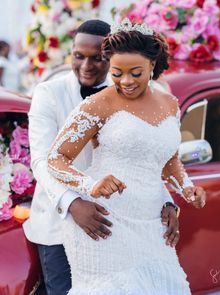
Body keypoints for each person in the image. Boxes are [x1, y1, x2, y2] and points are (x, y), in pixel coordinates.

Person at [23, 19, 183, 295]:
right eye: (78, 56)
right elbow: (42, 159)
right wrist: (74, 203)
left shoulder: (139, 90)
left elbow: (151, 155)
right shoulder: (48, 93)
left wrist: (167, 200)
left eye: (96, 58)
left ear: (110, 57)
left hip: (120, 224)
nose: (86, 66)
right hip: (59, 223)